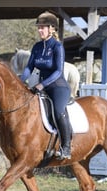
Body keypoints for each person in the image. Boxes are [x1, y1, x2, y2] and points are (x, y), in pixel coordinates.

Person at [20, 11, 72, 160]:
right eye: (39, 27)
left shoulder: (57, 46)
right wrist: (19, 81)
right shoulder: (36, 47)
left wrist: (42, 85)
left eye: (43, 27)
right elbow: (29, 68)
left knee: (57, 111)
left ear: (52, 28)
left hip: (58, 87)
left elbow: (58, 71)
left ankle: (66, 147)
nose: (39, 30)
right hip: (41, 86)